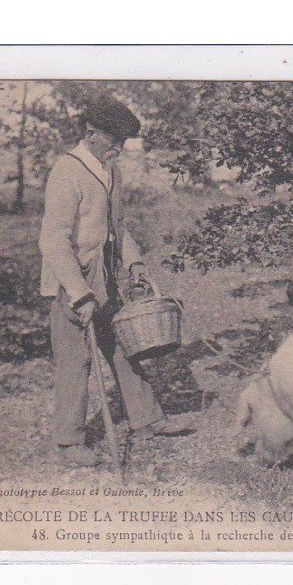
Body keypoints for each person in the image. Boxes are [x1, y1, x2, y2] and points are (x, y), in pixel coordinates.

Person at [39, 97, 189, 466]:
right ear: (91, 133)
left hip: (104, 274)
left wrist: (134, 263)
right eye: (114, 139)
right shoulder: (67, 170)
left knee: (123, 347)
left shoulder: (111, 171)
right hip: (71, 277)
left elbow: (117, 227)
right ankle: (69, 442)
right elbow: (53, 240)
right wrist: (80, 294)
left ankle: (146, 421)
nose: (119, 147)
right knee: (76, 360)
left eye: (123, 141)